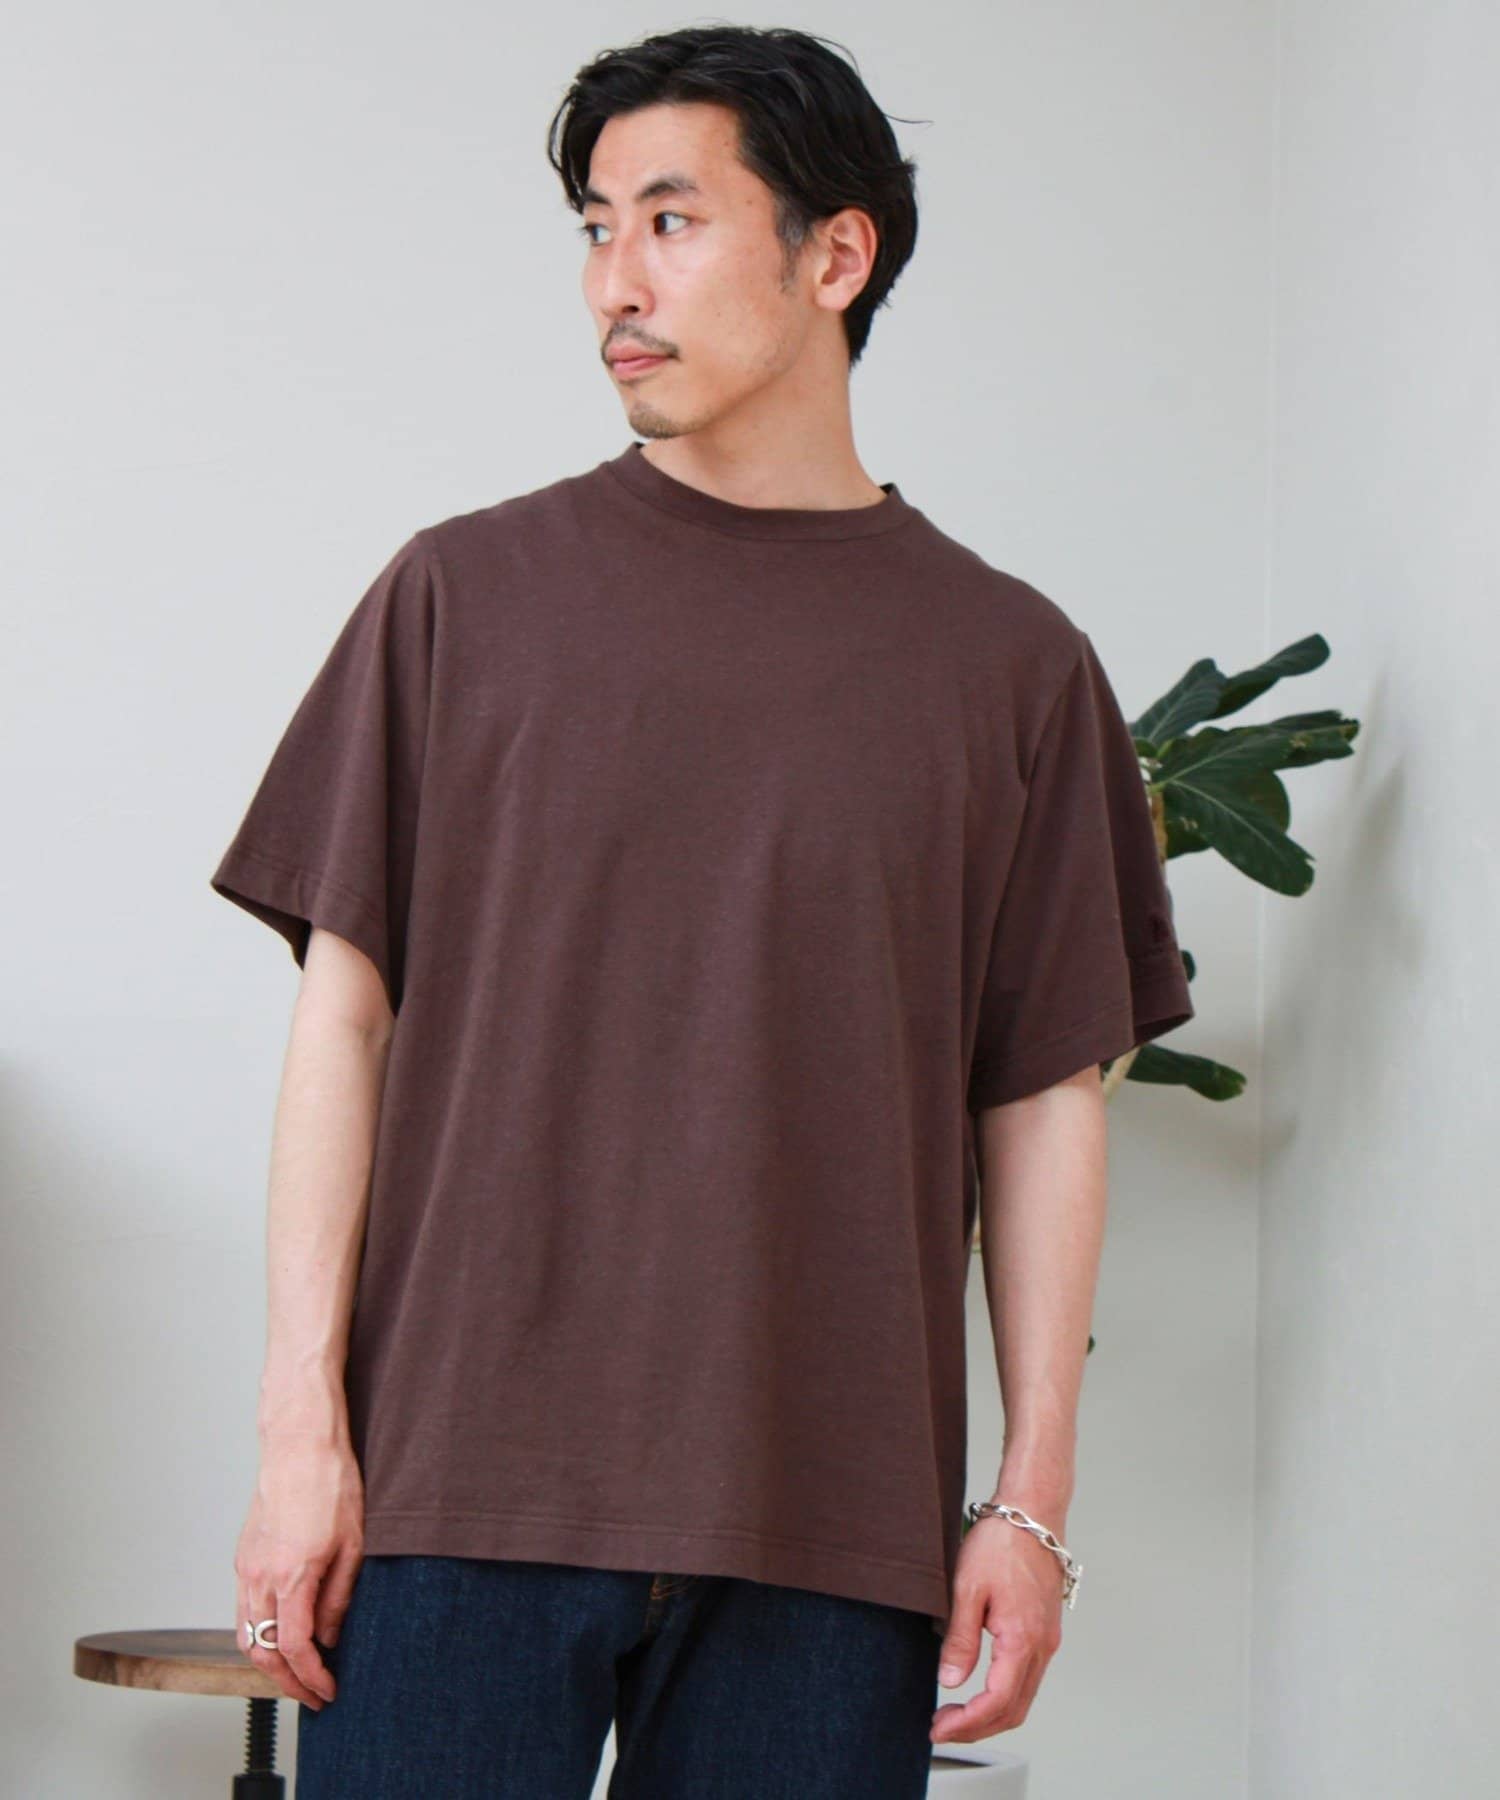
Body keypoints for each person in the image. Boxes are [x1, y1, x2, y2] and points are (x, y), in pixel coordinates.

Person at [210, 23, 1193, 1800]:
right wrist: (302, 1434)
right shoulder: (461, 599)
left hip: (833, 1532)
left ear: (836, 255)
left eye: (670, 220)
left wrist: (1030, 1503)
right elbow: (342, 1019)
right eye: (596, 229)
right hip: (457, 1498)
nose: (615, 282)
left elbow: (1045, 1094)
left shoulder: (1015, 669)